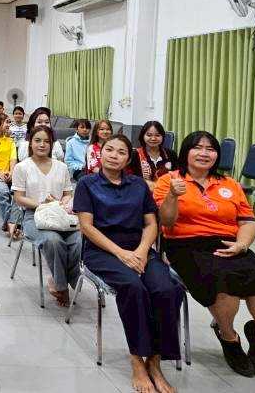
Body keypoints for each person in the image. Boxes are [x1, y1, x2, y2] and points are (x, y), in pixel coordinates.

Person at [155, 130, 255, 379]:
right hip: (186, 245)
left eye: (211, 149)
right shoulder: (169, 180)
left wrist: (242, 245)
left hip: (230, 244)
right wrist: (172, 195)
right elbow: (166, 222)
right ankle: (229, 337)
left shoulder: (230, 184)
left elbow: (247, 221)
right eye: (198, 147)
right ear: (186, 152)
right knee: (223, 287)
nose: (204, 153)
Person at [75, 135, 184, 393]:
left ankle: (155, 361)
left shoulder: (138, 185)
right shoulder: (87, 183)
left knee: (168, 288)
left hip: (139, 249)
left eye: (121, 152)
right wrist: (121, 254)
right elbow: (87, 227)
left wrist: (143, 251)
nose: (114, 155)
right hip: (102, 251)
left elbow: (151, 223)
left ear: (128, 159)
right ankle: (137, 359)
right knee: (133, 286)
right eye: (109, 150)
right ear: (100, 153)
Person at [11, 125, 82, 305]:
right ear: (30, 143)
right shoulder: (22, 167)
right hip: (33, 216)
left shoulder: (61, 167)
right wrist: (42, 204)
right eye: (37, 140)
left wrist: (62, 202)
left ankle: (59, 278)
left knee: (79, 241)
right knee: (54, 241)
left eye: (46, 141)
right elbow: (19, 198)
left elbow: (67, 194)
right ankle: (62, 286)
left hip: (60, 216)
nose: (42, 145)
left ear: (52, 144)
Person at [135, 121, 177, 187]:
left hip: (167, 190)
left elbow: (177, 175)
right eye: (149, 135)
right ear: (142, 136)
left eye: (157, 135)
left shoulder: (171, 154)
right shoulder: (135, 154)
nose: (153, 138)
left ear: (163, 136)